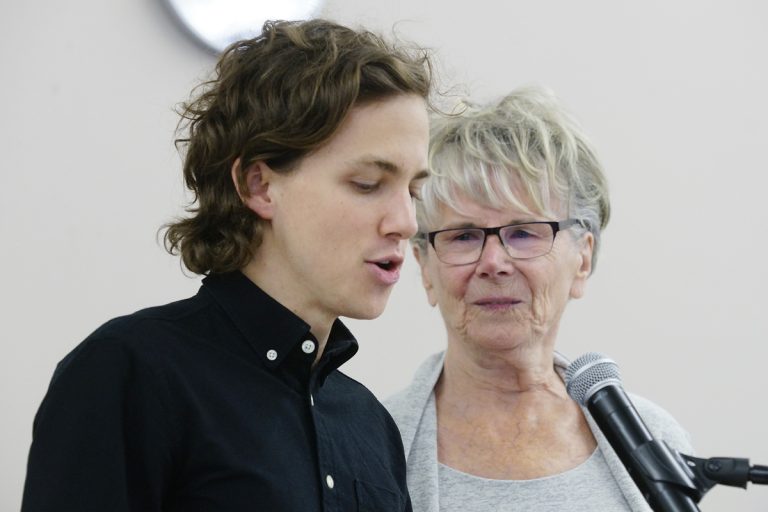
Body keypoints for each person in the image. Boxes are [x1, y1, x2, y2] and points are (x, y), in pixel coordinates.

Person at [22, 19, 431, 511]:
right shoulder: (130, 373)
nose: (406, 222)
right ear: (259, 185)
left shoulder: (370, 424)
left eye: (414, 190)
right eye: (367, 183)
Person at [385, 87, 692, 511]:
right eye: (464, 236)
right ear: (425, 268)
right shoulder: (372, 446)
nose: (493, 263)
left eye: (524, 232)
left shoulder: (654, 439)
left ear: (582, 259)